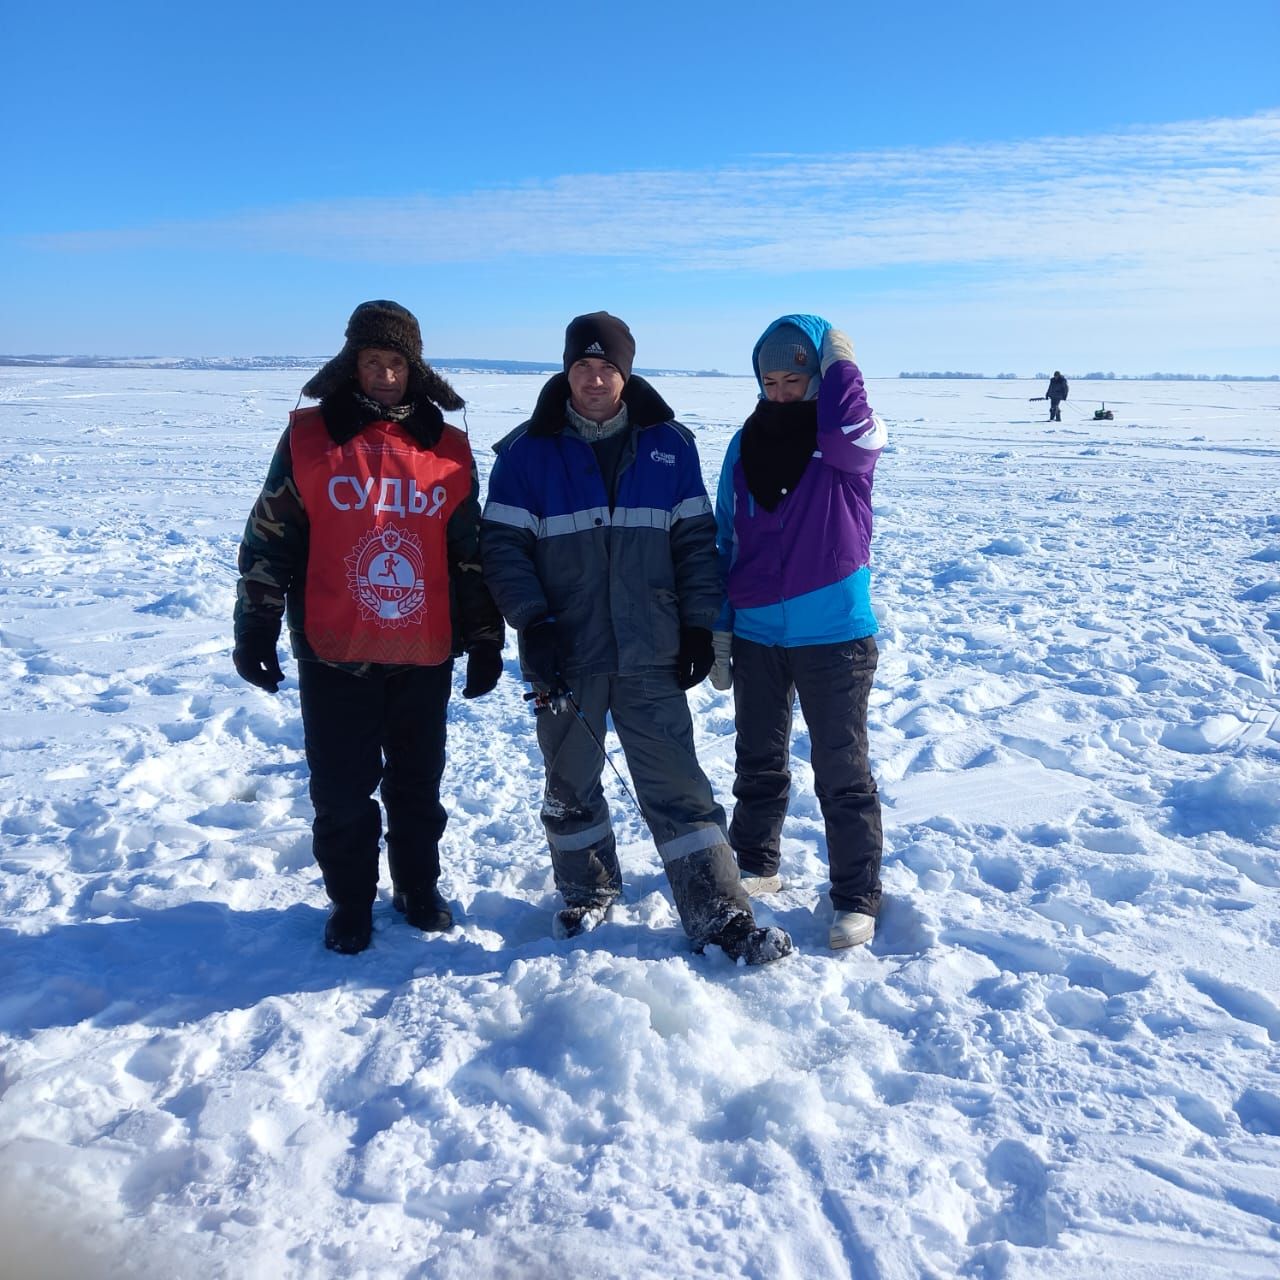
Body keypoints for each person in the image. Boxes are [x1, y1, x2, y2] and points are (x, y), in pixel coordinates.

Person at [480, 311, 792, 965]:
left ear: (626, 372)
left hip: (650, 650)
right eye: (582, 367)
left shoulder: (669, 446)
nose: (594, 379)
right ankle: (586, 889)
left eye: (607, 368)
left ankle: (721, 912)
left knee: (679, 785)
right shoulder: (525, 454)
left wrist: (700, 627)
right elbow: (501, 548)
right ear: (566, 371)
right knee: (569, 781)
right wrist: (531, 622)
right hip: (560, 655)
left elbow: (695, 546)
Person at [233, 300, 505, 954]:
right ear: (352, 365)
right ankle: (350, 901)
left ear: (415, 370)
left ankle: (417, 887)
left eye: (396, 363)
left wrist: (486, 636)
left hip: (422, 651)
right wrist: (255, 626)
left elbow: (469, 550)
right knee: (341, 791)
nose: (385, 375)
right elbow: (272, 538)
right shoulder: (308, 438)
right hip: (335, 650)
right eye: (372, 362)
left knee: (418, 786)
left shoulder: (448, 447)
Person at [711, 314, 886, 949]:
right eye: (771, 380)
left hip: (833, 633)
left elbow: (856, 433)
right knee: (758, 758)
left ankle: (856, 895)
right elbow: (726, 538)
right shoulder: (742, 442)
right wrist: (723, 629)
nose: (781, 391)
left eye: (795, 377)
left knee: (842, 770)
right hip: (757, 631)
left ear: (818, 377)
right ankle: (757, 862)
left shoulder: (842, 442)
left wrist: (841, 357)